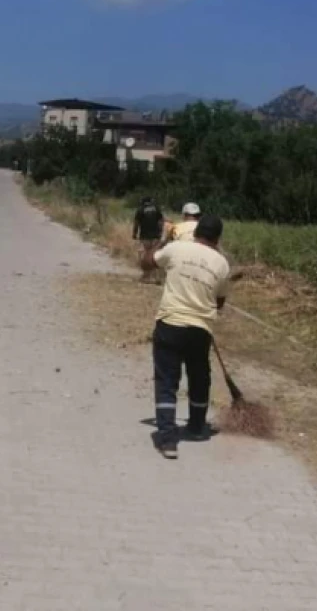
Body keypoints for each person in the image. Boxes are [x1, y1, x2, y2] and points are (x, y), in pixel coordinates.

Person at [141, 215, 232, 459]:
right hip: (200, 329)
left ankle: (169, 441)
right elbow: (220, 302)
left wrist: (160, 240)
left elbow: (146, 264)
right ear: (218, 238)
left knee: (167, 381)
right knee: (199, 377)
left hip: (171, 323)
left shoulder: (176, 249)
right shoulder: (222, 264)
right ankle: (196, 427)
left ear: (196, 232)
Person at [132, 197, 165, 283]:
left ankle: (146, 275)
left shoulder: (140, 210)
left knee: (145, 254)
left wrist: (134, 234)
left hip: (144, 236)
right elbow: (161, 221)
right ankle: (156, 276)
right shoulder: (157, 209)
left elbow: (136, 223)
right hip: (155, 236)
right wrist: (160, 232)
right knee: (155, 255)